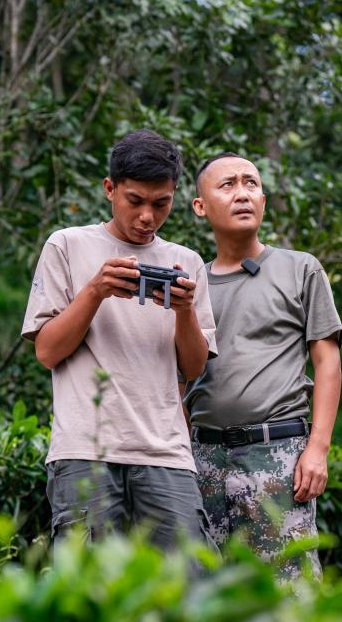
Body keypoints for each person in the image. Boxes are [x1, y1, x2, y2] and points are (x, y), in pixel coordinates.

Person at [21, 129, 217, 551]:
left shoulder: (187, 262)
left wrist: (184, 310)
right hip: (83, 450)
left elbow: (195, 368)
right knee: (86, 593)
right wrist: (95, 291)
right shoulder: (68, 245)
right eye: (135, 201)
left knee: (190, 587)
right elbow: (47, 351)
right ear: (110, 189)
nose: (147, 216)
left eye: (161, 203)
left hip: (166, 453)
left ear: (174, 196)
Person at [182, 152, 342, 579]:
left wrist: (318, 450)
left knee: (288, 594)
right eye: (228, 185)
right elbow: (176, 377)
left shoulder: (300, 269)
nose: (242, 194)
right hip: (204, 458)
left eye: (250, 183)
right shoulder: (187, 282)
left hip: (279, 454)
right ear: (200, 207)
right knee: (207, 596)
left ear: (264, 201)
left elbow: (327, 362)